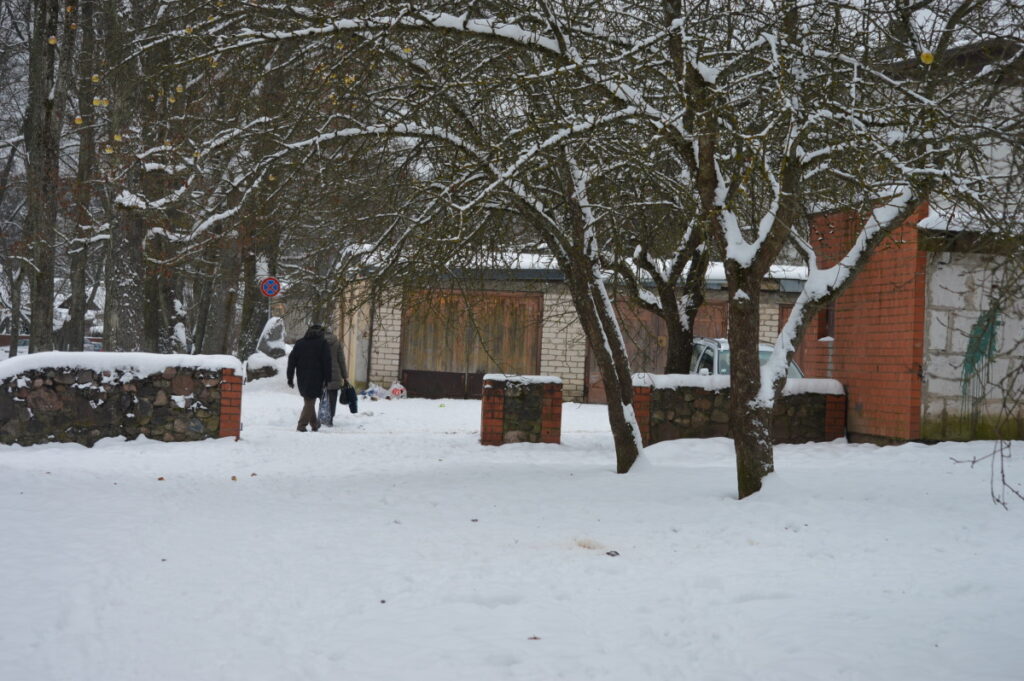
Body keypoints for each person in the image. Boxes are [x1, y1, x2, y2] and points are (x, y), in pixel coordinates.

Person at [286, 324, 332, 432]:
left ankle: (314, 424)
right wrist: (328, 378)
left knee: (308, 400)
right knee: (310, 400)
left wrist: (290, 377)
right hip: (317, 377)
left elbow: (291, 361)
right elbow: (327, 362)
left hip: (302, 377)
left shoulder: (300, 343)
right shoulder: (323, 343)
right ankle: (301, 425)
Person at [322, 327, 349, 423]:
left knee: (323, 397)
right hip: (335, 375)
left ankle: (323, 416)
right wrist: (345, 376)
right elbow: (341, 361)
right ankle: (330, 418)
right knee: (332, 398)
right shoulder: (337, 343)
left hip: (323, 374)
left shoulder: (320, 342)